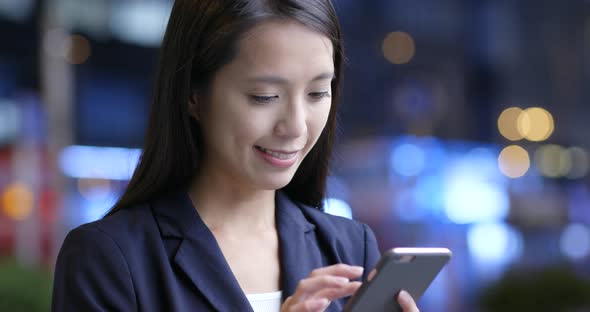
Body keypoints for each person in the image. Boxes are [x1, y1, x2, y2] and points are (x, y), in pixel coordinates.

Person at [51, 0, 420, 311]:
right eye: (264, 96)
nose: (295, 127)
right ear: (193, 94)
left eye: (317, 93)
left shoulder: (350, 247)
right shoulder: (109, 259)